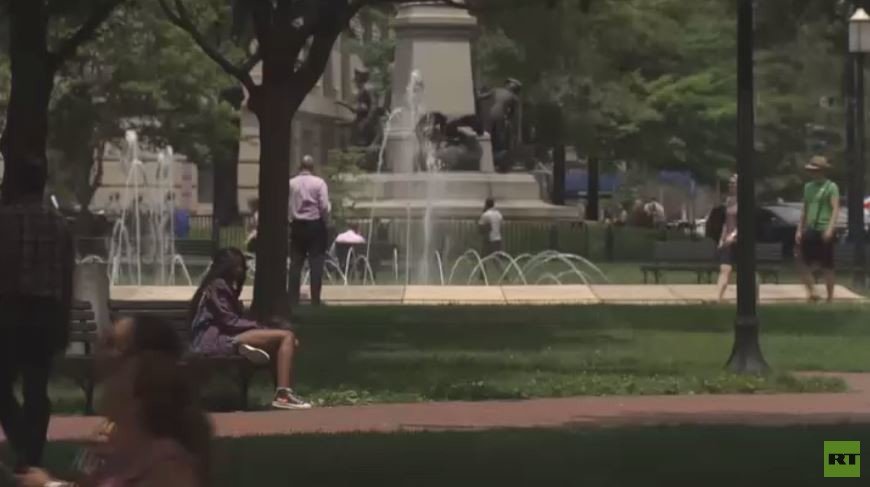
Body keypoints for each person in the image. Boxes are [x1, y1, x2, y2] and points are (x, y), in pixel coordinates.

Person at [16, 352, 212, 487]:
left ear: (137, 402)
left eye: (122, 376)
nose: (112, 380)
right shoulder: (126, 447)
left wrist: (49, 485)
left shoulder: (168, 464)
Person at [0, 160, 74, 470]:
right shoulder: (60, 223)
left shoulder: (5, 219)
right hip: (47, 314)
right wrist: (64, 321)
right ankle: (31, 454)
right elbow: (67, 277)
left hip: (12, 311)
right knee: (36, 388)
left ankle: (23, 446)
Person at [190, 248, 310, 409]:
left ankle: (282, 393)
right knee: (287, 336)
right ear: (226, 267)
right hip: (214, 342)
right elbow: (229, 321)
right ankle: (283, 395)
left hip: (223, 338)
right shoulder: (217, 286)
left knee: (285, 343)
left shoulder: (220, 287)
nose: (241, 270)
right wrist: (260, 327)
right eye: (237, 266)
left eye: (241, 266)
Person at [796, 155, 841, 302]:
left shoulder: (831, 187)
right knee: (802, 261)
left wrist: (830, 229)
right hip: (810, 228)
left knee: (827, 265)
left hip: (824, 227)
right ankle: (812, 292)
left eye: (816, 170)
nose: (813, 173)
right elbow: (805, 209)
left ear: (822, 171)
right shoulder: (808, 187)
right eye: (811, 170)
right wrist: (799, 229)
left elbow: (835, 209)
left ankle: (830, 298)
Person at [288, 155, 330, 306]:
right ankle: (315, 299)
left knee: (295, 264)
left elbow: (288, 205)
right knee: (316, 263)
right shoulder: (319, 183)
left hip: (297, 225)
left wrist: (290, 219)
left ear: (300, 166)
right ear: (313, 167)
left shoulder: (291, 183)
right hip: (315, 225)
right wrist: (325, 219)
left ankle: (292, 298)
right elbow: (324, 206)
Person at [715, 175, 738, 302]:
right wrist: (722, 238)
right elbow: (726, 222)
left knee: (748, 272)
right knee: (724, 269)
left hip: (740, 241)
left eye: (733, 183)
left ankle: (754, 299)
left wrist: (733, 236)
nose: (730, 185)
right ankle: (718, 299)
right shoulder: (729, 200)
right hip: (728, 240)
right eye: (730, 183)